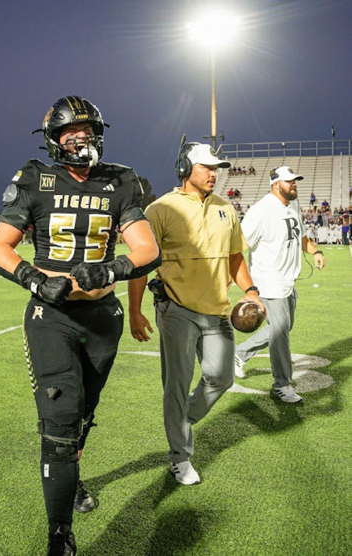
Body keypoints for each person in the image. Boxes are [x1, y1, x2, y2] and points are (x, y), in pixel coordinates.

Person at [0, 96, 160, 556]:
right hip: (52, 317)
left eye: (88, 128)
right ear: (53, 139)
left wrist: (110, 270)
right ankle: (59, 532)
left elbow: (146, 249)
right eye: (70, 131)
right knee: (60, 418)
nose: (81, 137)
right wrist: (35, 279)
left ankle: (72, 478)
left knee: (82, 416)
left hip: (103, 317)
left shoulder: (120, 180)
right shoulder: (35, 179)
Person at [128, 140, 265, 486]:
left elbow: (236, 257)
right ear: (185, 169)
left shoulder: (226, 208)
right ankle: (180, 457)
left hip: (218, 310)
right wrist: (134, 310)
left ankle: (181, 418)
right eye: (206, 167)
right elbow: (141, 263)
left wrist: (250, 291)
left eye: (216, 169)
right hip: (176, 309)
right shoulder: (160, 209)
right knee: (176, 384)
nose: (213, 174)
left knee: (221, 377)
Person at [234, 166, 326, 403]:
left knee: (282, 328)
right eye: (289, 181)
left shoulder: (292, 205)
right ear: (276, 184)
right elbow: (239, 246)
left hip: (287, 281)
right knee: (281, 331)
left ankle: (240, 353)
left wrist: (315, 251)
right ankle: (281, 385)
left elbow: (301, 236)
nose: (294, 184)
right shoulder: (261, 211)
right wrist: (232, 280)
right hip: (268, 281)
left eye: (295, 180)